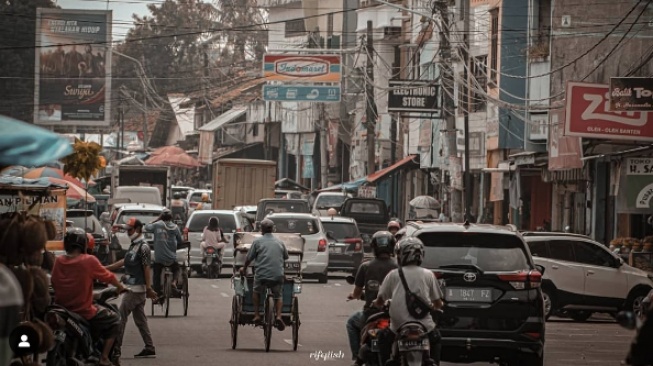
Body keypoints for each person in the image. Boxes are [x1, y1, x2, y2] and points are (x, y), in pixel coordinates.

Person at [51, 228, 126, 366]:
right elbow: (109, 276)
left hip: (60, 308)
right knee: (115, 319)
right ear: (84, 245)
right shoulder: (89, 260)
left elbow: (54, 282)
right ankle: (104, 357)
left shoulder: (59, 261)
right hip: (83, 310)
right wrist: (120, 287)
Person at [374, 237, 444, 366]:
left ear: (401, 255)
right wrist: (435, 307)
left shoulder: (393, 274)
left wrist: (377, 304)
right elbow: (438, 303)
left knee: (383, 339)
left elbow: (380, 300)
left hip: (397, 326)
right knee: (436, 338)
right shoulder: (428, 274)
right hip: (425, 326)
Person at [105, 218, 157, 363]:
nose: (128, 232)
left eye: (130, 229)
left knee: (120, 318)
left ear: (139, 229)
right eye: (127, 230)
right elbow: (125, 261)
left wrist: (149, 288)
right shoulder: (135, 245)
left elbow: (147, 268)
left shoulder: (144, 247)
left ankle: (116, 349)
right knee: (140, 320)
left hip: (135, 290)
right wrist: (106, 269)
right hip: (134, 288)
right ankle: (149, 346)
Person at [346, 231, 398, 366]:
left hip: (371, 313)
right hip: (394, 314)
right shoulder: (398, 268)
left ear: (373, 247)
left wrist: (355, 296)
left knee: (352, 323)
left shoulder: (366, 266)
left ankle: (357, 357)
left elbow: (357, 293)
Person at [239, 219, 288, 330]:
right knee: (278, 295)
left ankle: (256, 315)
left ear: (261, 230)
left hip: (261, 275)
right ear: (273, 229)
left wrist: (244, 268)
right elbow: (284, 258)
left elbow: (249, 258)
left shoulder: (257, 242)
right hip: (277, 275)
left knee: (256, 291)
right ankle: (279, 316)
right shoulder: (280, 242)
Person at [145, 209, 184, 301]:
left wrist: (156, 219)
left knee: (156, 273)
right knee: (177, 268)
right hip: (171, 258)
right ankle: (174, 282)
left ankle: (157, 293)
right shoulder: (175, 227)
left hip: (159, 258)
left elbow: (147, 227)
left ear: (161, 217)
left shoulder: (157, 225)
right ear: (171, 217)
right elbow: (180, 241)